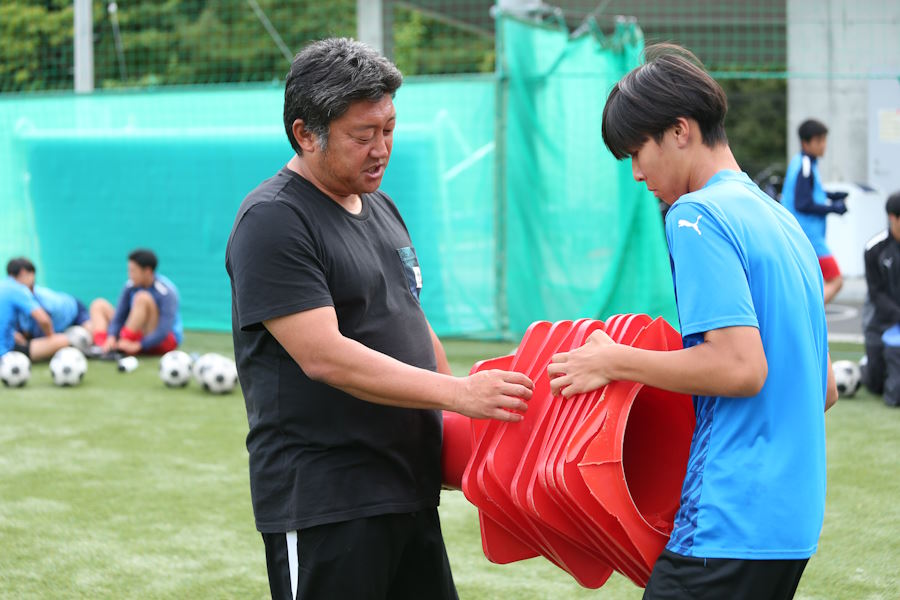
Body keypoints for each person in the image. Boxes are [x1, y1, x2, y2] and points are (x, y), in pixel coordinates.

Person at [225, 38, 533, 600]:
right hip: (327, 502)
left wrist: (464, 437)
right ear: (305, 133)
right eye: (363, 136)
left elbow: (412, 324)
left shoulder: (382, 208)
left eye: (388, 129)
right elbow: (325, 356)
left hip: (408, 492)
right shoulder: (274, 219)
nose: (381, 148)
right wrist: (459, 393)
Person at [546, 44, 837, 600]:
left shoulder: (696, 214)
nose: (636, 174)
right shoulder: (780, 219)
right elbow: (820, 390)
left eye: (637, 152)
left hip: (729, 519)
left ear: (680, 131)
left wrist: (613, 361)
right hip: (791, 525)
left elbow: (740, 367)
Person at [781, 118, 849, 303]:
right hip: (809, 236)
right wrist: (833, 208)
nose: (823, 145)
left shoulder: (806, 163)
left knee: (811, 283)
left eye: (824, 140)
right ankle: (810, 314)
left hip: (804, 235)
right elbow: (803, 203)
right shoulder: (805, 165)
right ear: (806, 143)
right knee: (835, 280)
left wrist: (832, 195)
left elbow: (811, 193)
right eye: (819, 141)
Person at [90, 248, 182, 356]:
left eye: (133, 271)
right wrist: (112, 336)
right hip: (136, 334)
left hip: (163, 341)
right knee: (98, 304)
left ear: (147, 271)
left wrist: (140, 345)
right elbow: (119, 317)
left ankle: (121, 344)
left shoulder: (165, 291)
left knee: (142, 298)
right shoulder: (130, 285)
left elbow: (164, 330)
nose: (130, 275)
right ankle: (103, 346)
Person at [861, 190, 900, 406]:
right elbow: (876, 293)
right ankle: (869, 363)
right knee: (876, 386)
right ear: (892, 217)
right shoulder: (874, 249)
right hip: (880, 322)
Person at [6, 257, 94, 339]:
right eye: (12, 278)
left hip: (74, 310)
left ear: (31, 275)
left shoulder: (41, 300)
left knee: (89, 332)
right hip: (60, 323)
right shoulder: (16, 296)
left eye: (21, 275)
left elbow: (45, 325)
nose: (13, 283)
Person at [1, 262, 70, 361]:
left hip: (9, 341)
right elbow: (44, 320)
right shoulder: (18, 289)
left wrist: (12, 333)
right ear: (23, 272)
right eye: (32, 276)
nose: (33, 282)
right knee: (62, 340)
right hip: (5, 352)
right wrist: (51, 337)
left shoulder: (3, 285)